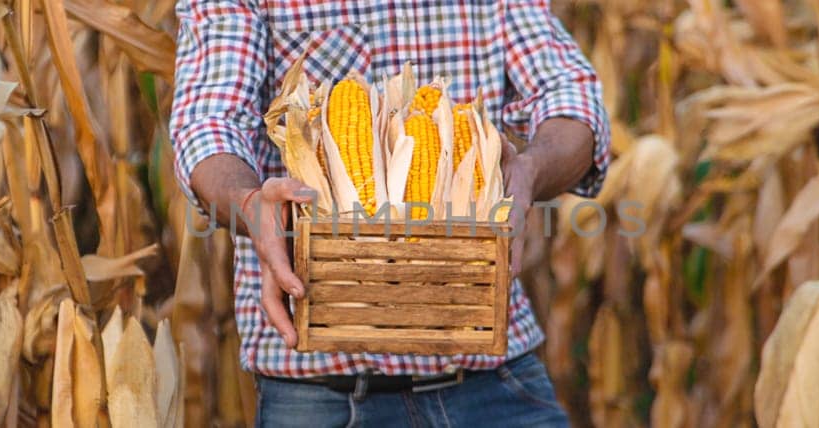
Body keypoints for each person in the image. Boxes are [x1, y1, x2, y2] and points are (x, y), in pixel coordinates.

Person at [170, 0, 609, 426]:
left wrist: (529, 171)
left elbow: (570, 97)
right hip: (322, 394)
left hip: (495, 378)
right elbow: (208, 123)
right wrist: (249, 204)